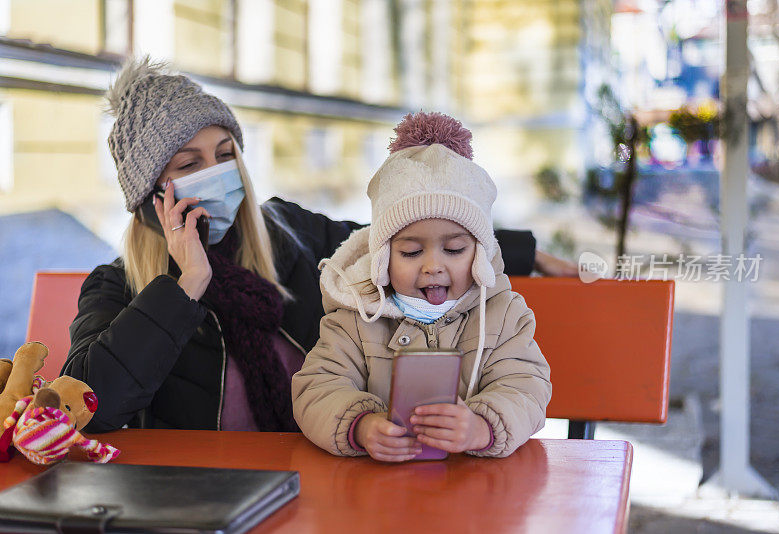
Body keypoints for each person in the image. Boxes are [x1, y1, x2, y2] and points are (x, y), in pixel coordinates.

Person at [62, 57, 548, 433]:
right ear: (151, 198)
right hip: (198, 495)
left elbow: (406, 234)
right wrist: (186, 285)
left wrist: (534, 255)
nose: (217, 174)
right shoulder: (118, 288)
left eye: (226, 155)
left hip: (324, 465)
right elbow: (89, 406)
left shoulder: (287, 233)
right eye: (189, 165)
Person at [292, 112, 552, 460]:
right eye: (411, 251)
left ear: (479, 253)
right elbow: (317, 388)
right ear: (382, 258)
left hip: (476, 488)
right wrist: (363, 426)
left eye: (455, 249)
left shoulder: (503, 315)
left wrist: (481, 426)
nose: (433, 266)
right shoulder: (355, 319)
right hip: (377, 491)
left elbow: (526, 386)